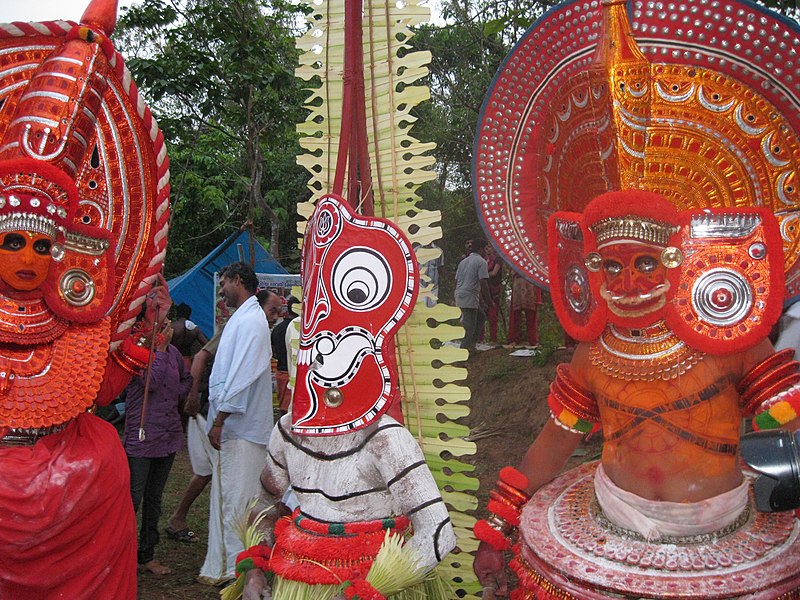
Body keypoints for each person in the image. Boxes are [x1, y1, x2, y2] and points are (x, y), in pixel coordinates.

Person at [471, 1, 800, 596]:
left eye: (645, 263)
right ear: (590, 270)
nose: (628, 282)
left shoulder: (731, 343)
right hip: (609, 523)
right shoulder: (593, 354)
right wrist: (501, 521)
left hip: (721, 530)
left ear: (678, 263)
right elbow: (556, 439)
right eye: (612, 266)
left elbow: (789, 415)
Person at [0, 2, 173, 598]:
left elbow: (87, 392)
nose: (26, 257)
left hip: (72, 496)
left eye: (41, 245)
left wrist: (136, 348)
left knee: (101, 464)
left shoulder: (77, 314)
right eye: (11, 241)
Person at [234, 195, 455, 600]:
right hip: (294, 580)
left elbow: (438, 531)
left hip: (374, 582)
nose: (320, 348)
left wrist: (370, 590)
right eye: (313, 341)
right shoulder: (288, 431)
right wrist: (255, 570)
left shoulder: (386, 440)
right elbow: (264, 503)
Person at [198, 262, 277, 586]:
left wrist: (219, 419)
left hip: (241, 430)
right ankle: (225, 566)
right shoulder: (242, 318)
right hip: (233, 428)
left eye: (225, 282)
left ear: (239, 281)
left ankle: (238, 572)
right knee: (229, 497)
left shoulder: (252, 322)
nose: (222, 289)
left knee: (241, 502)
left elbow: (242, 377)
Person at [123, 320, 191, 576]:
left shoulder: (172, 353)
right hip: (141, 435)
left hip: (167, 434)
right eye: (157, 324)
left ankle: (146, 554)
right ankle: (123, 553)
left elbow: (186, 379)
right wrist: (159, 352)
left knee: (154, 498)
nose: (164, 329)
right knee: (133, 498)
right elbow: (150, 382)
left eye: (165, 323)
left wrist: (176, 394)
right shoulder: (134, 351)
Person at [454, 237, 491, 351]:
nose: (487, 251)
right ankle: (464, 353)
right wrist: (489, 300)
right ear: (480, 249)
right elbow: (482, 282)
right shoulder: (481, 262)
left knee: (480, 317)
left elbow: (456, 280)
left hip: (460, 294)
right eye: (485, 248)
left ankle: (471, 346)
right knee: (469, 328)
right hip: (469, 296)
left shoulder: (463, 262)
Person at [271, 296, 298, 414]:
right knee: (292, 410)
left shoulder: (278, 329)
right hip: (294, 373)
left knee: (284, 407)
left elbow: (273, 350)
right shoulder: (299, 328)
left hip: (281, 372)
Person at [171, 302, 209, 371]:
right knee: (187, 380)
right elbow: (207, 346)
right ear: (189, 314)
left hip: (172, 360)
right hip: (187, 361)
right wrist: (196, 357)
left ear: (177, 313)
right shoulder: (195, 329)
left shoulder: (171, 327)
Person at [507, 273, 541, 347]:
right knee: (516, 314)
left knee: (531, 315)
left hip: (530, 284)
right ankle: (513, 339)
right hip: (518, 284)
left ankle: (533, 340)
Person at [481, 245, 503, 344]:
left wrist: (482, 275)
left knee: (493, 316)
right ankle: (480, 338)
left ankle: (493, 339)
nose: (487, 249)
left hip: (494, 290)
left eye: (489, 247)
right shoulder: (484, 260)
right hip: (484, 290)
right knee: (481, 315)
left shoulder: (498, 260)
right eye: (486, 248)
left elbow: (494, 273)